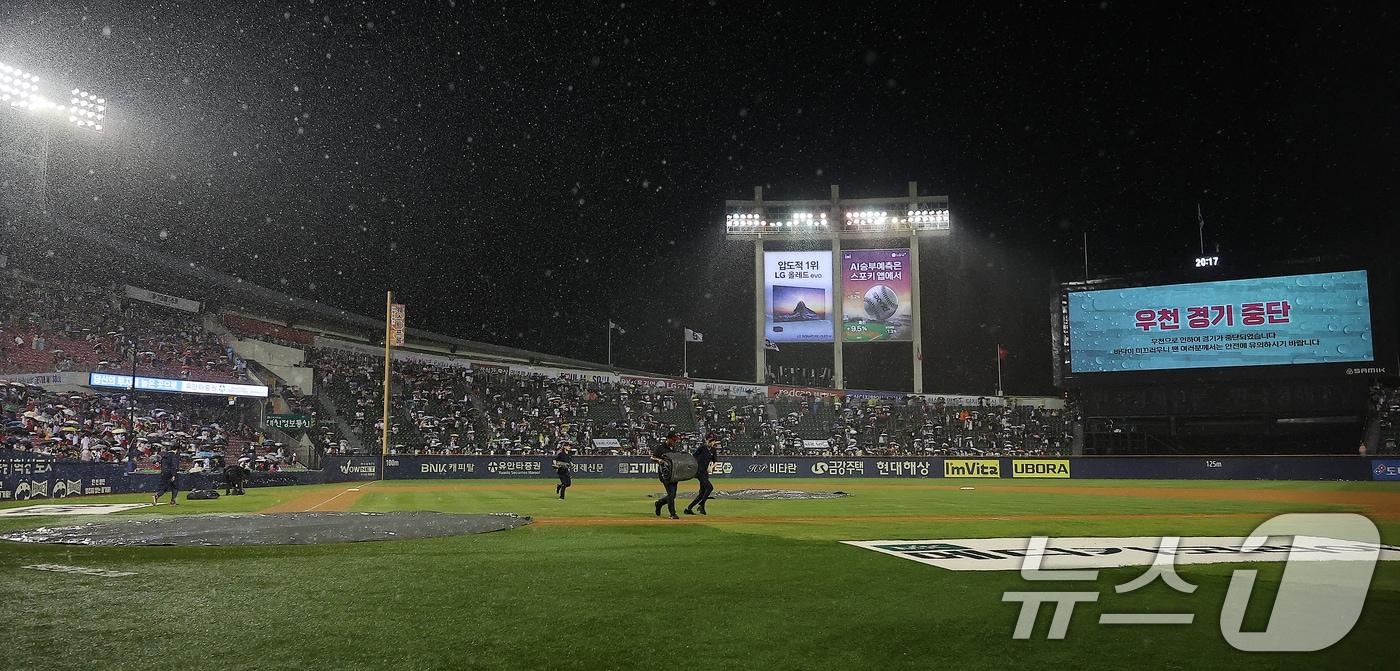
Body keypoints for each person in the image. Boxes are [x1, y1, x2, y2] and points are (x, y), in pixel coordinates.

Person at [685, 433, 719, 515]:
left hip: (705, 472)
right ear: (706, 440)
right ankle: (701, 504)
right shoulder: (702, 448)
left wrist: (711, 467)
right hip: (699, 472)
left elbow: (715, 461)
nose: (712, 442)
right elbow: (693, 457)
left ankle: (689, 509)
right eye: (710, 441)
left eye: (713, 441)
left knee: (702, 493)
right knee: (710, 487)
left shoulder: (713, 450)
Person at [651, 432, 682, 519]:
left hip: (674, 474)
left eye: (675, 440)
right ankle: (673, 514)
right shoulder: (661, 448)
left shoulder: (674, 448)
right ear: (668, 439)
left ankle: (659, 503)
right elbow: (652, 457)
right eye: (673, 440)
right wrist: (659, 460)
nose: (674, 442)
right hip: (664, 474)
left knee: (673, 495)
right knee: (671, 494)